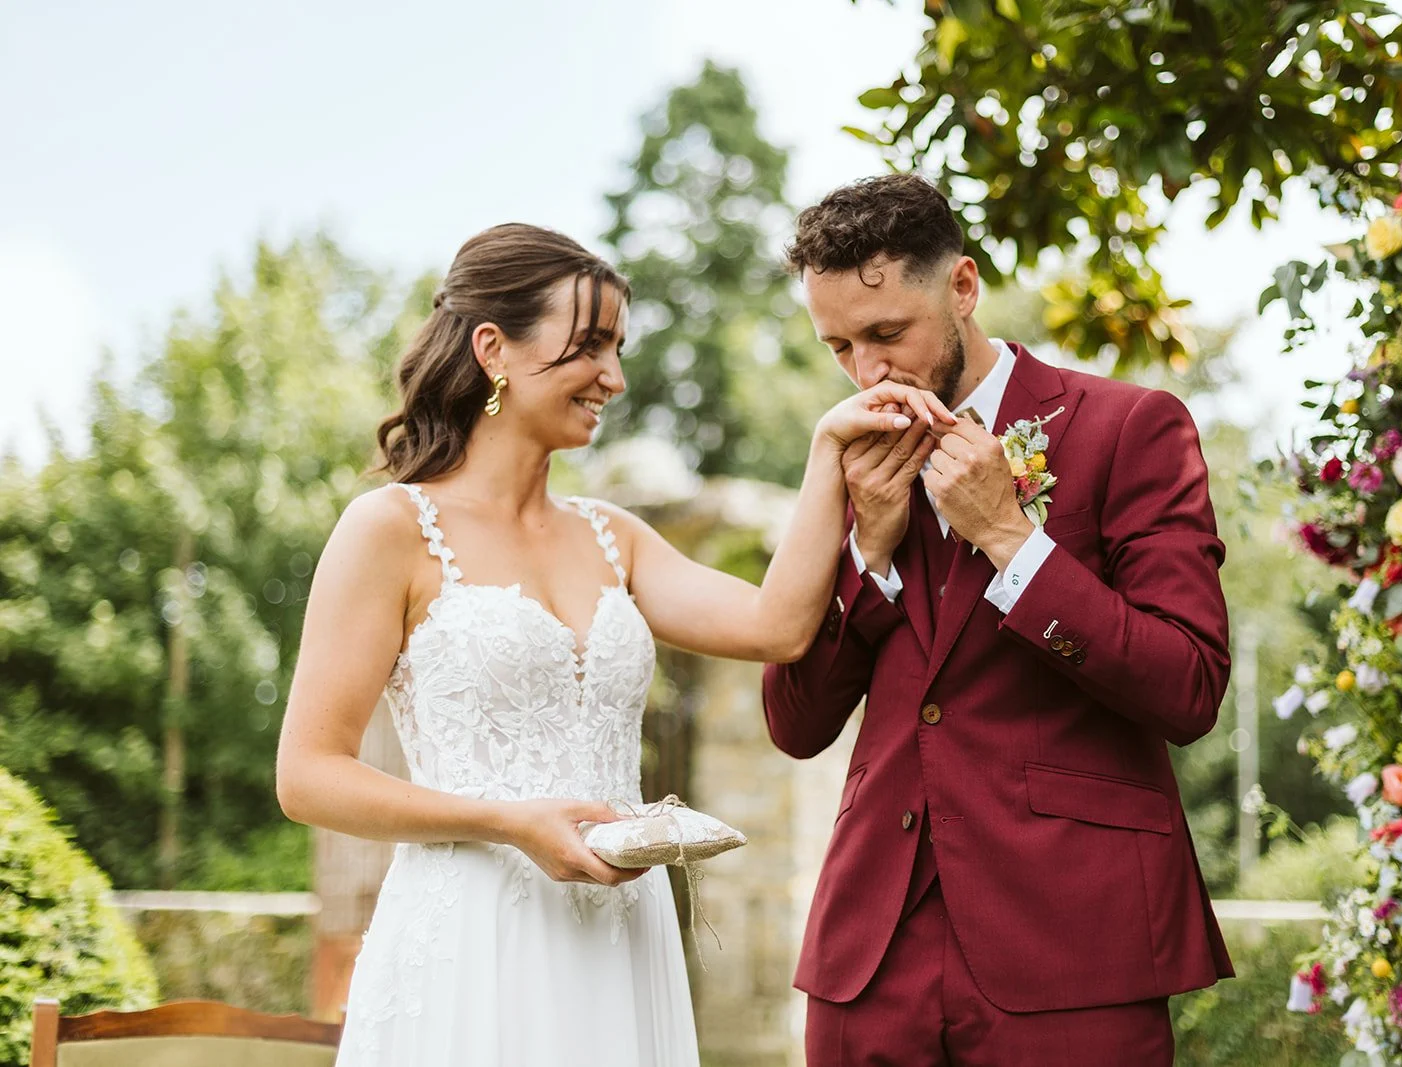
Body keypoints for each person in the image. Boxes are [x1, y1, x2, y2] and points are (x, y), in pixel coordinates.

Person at [275, 222, 950, 1066]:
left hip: (621, 940)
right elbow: (308, 776)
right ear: (495, 348)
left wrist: (827, 452)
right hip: (471, 940)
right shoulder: (388, 529)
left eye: (619, 348)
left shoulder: (614, 537)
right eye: (590, 346)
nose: (615, 378)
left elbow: (779, 625)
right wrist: (511, 822)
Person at [763, 174, 1234, 1066]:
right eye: (838, 347)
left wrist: (1012, 541)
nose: (868, 372)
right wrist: (867, 552)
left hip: (1073, 941)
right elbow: (795, 723)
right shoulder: (846, 456)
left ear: (963, 287)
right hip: (871, 954)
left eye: (887, 334)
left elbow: (1189, 686)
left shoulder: (1130, 427)